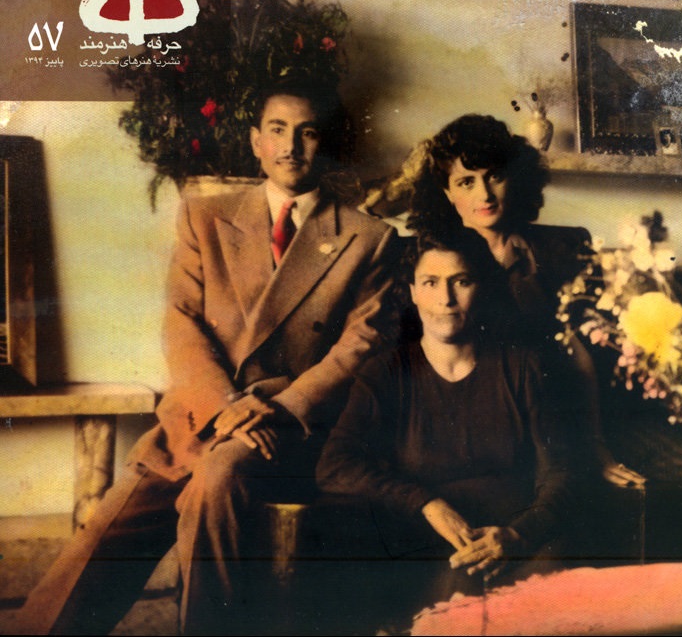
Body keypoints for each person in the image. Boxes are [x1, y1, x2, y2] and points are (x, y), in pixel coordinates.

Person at [15, 78, 401, 636]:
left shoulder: (367, 238)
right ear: (256, 142)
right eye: (278, 130)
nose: (291, 146)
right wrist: (225, 408)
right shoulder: (206, 217)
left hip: (290, 428)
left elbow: (358, 347)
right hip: (203, 413)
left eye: (308, 132)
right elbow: (182, 323)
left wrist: (273, 409)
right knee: (115, 521)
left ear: (326, 144)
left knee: (218, 480)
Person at [316, 228, 593, 632]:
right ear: (413, 292)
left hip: (516, 541)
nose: (445, 299)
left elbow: (563, 470)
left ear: (482, 288)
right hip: (430, 547)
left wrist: (519, 534)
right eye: (431, 283)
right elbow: (334, 466)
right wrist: (425, 503)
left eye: (461, 281)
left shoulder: (523, 367)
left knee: (554, 593)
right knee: (453, 602)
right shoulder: (385, 373)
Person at [406, 113, 643, 488]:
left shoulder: (559, 249)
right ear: (447, 193)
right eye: (466, 182)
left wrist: (598, 449)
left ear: (514, 178)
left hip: (548, 416)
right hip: (467, 423)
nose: (484, 195)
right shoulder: (429, 261)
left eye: (495, 177)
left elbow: (577, 355)